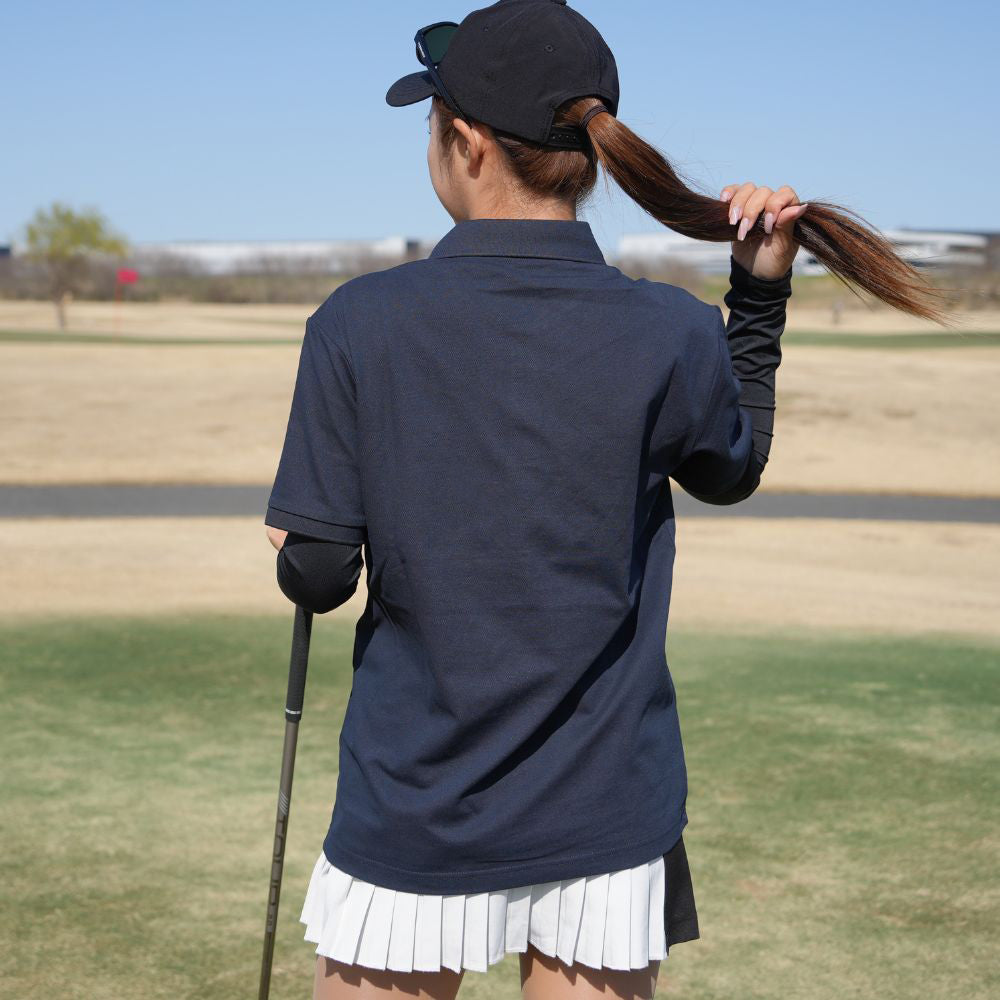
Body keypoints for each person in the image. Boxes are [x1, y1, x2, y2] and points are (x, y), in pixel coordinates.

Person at [264, 4, 945, 998]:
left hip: (417, 800)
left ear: (466, 142)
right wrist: (757, 298)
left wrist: (296, 544)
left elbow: (320, 575)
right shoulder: (669, 328)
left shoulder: (357, 322)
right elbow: (731, 470)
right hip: (607, 805)